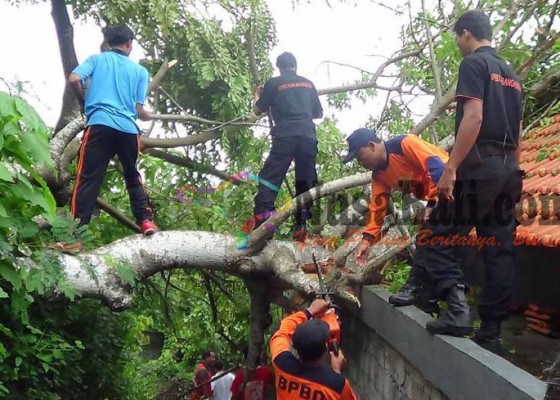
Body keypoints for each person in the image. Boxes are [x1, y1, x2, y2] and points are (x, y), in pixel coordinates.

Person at [423, 10, 523, 354]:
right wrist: (513, 170)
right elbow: (519, 131)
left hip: (478, 168)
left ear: (466, 34)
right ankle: (491, 332)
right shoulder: (511, 75)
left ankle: (458, 311)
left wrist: (451, 168)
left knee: (435, 239)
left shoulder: (474, 65)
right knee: (499, 251)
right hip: (508, 169)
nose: (457, 43)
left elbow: (474, 116)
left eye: (456, 37)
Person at [67, 24, 158, 236]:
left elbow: (74, 79)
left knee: (87, 178)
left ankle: (73, 236)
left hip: (99, 124)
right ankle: (146, 221)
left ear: (109, 43)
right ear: (128, 44)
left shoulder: (96, 60)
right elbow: (138, 110)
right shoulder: (140, 72)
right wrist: (144, 114)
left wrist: (83, 99)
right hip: (127, 130)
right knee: (132, 175)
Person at [343, 128, 448, 311]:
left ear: (371, 146)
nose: (361, 163)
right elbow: (377, 209)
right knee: (431, 241)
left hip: (451, 182)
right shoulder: (378, 176)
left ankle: (416, 289)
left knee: (427, 240)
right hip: (438, 196)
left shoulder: (404, 144)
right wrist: (367, 240)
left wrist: (432, 202)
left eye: (360, 157)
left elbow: (436, 166)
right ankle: (429, 296)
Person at [252, 52, 323, 238]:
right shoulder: (308, 83)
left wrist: (258, 95)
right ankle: (302, 223)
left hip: (285, 136)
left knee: (270, 179)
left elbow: (257, 110)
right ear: (295, 66)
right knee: (305, 179)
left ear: (279, 68)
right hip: (307, 136)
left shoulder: (274, 83)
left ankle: (263, 224)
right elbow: (318, 113)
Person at [270, 298, 356, 400]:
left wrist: (309, 311)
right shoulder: (337, 385)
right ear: (325, 347)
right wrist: (337, 371)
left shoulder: (281, 362)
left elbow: (283, 330)